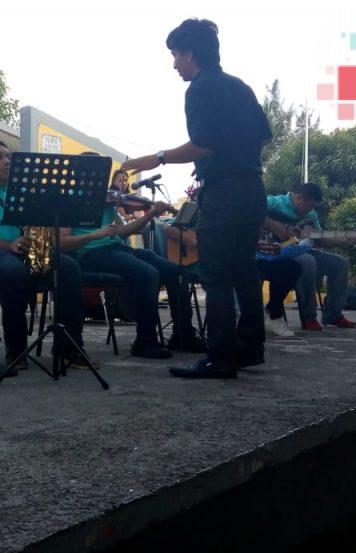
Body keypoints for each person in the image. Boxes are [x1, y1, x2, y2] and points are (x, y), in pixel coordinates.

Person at [123, 19, 272, 379]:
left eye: (175, 55)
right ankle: (249, 348)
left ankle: (219, 357)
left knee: (216, 275)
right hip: (252, 189)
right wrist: (228, 158)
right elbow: (264, 136)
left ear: (190, 54)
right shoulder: (239, 86)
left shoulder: (200, 88)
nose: (174, 64)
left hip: (224, 193)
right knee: (244, 270)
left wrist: (157, 158)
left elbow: (203, 144)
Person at [0, 140, 90, 370]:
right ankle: (16, 351)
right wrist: (8, 245)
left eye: (9, 156)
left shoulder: (27, 195)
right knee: (13, 271)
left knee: (68, 266)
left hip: (26, 254)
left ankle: (69, 347)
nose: (7, 161)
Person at [60, 172, 205, 359]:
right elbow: (62, 243)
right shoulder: (71, 203)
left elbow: (123, 232)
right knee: (147, 273)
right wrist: (94, 235)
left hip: (117, 249)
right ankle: (145, 341)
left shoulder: (108, 204)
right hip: (90, 255)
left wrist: (150, 214)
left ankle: (183, 335)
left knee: (175, 271)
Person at [263, 183, 356, 330]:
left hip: (301, 250)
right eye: (308, 206)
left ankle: (334, 314)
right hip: (275, 253)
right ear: (299, 197)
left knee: (340, 264)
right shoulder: (273, 203)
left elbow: (319, 239)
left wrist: (345, 239)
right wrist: (273, 225)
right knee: (308, 261)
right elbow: (248, 209)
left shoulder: (311, 214)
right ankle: (309, 317)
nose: (310, 210)